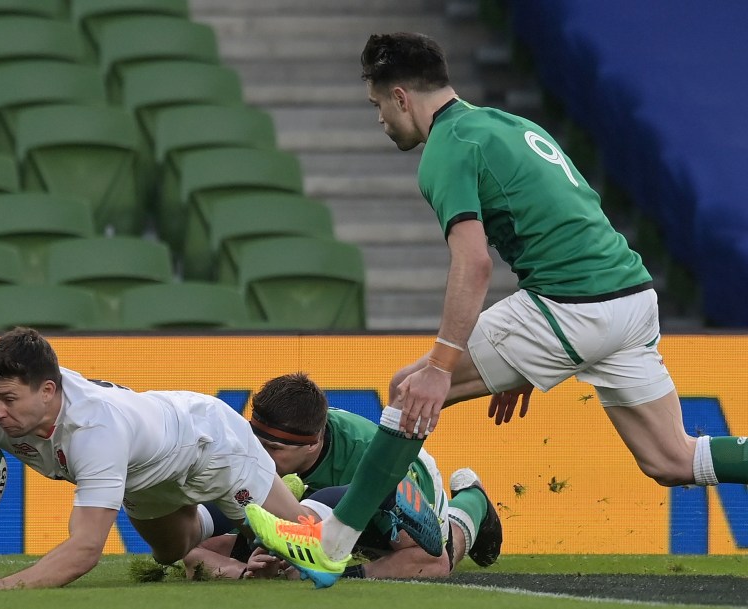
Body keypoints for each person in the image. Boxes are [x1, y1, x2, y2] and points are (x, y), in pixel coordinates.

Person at [245, 32, 748, 588]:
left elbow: (475, 263)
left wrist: (443, 364)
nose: (381, 120)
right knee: (672, 459)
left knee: (411, 386)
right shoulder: (510, 126)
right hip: (631, 297)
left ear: (401, 96)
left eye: (377, 106)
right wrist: (531, 359)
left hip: (572, 303)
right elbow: (568, 218)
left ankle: (332, 543)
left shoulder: (447, 147)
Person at [0, 326, 314, 590]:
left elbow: (86, 549)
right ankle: (233, 535)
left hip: (208, 445)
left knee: (302, 546)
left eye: (9, 399)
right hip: (143, 476)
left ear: (48, 391)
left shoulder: (94, 431)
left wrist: (3, 586)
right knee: (172, 553)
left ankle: (340, 520)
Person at [182, 372, 499, 581]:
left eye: (274, 448)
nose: (260, 458)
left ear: (313, 444)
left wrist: (348, 576)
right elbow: (190, 550)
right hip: (325, 500)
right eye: (256, 442)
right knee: (232, 540)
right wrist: (242, 573)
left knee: (443, 554)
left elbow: (432, 563)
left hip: (409, 477)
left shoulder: (371, 465)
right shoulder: (249, 451)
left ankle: (473, 500)